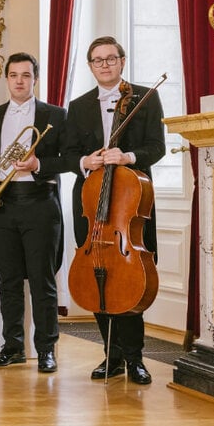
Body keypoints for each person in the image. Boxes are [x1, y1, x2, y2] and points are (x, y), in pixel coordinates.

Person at [63, 35, 165, 385]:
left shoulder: (146, 98)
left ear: (122, 61)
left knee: (130, 283)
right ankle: (112, 357)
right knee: (95, 280)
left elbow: (158, 147)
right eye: (97, 60)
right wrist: (84, 160)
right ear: (91, 66)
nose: (104, 65)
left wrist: (127, 157)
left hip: (130, 205)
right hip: (92, 206)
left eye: (111, 58)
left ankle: (135, 358)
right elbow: (66, 154)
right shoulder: (78, 106)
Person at [0, 53, 66, 373]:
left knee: (42, 282)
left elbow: (68, 159)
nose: (19, 81)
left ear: (34, 79)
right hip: (2, 205)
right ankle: (12, 345)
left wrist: (38, 164)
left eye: (25, 75)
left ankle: (46, 349)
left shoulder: (55, 114)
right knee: (9, 281)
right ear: (7, 79)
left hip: (40, 202)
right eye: (13, 75)